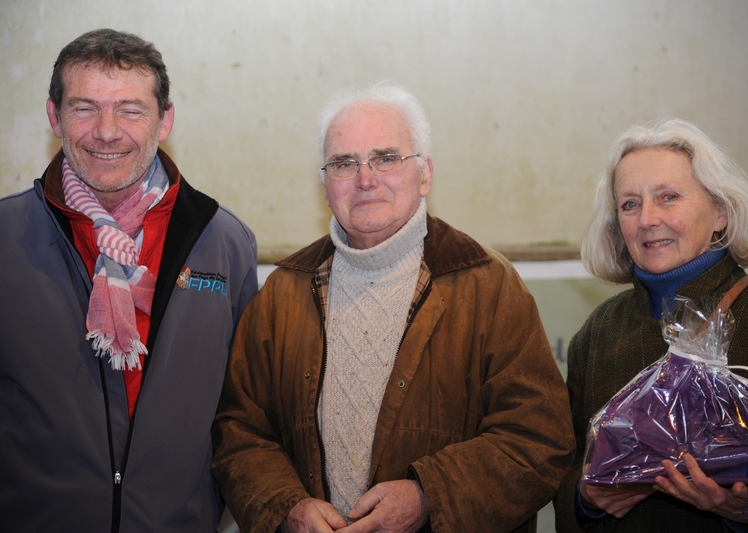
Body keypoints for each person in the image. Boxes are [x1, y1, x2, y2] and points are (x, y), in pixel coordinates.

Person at [211, 81, 575, 533]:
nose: (365, 179)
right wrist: (286, 508)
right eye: (344, 163)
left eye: (386, 158)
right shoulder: (282, 295)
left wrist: (428, 498)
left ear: (425, 174)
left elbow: (538, 438)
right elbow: (240, 434)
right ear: (325, 185)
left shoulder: (489, 286)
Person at [0, 29, 258, 532]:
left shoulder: (224, 242)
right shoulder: (5, 238)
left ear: (166, 120)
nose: (107, 130)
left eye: (131, 109)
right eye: (84, 108)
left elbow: (246, 410)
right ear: (54, 117)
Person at [553, 118, 748, 532]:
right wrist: (587, 500)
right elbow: (563, 474)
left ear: (720, 212)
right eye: (630, 204)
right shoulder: (598, 334)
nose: (647, 218)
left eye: (668, 197)